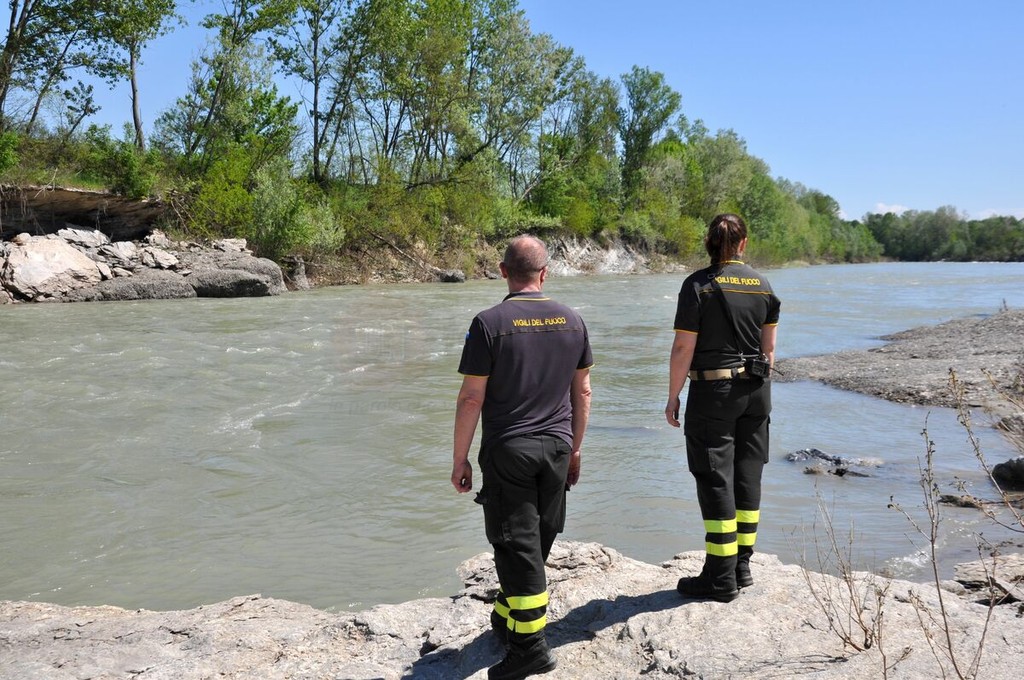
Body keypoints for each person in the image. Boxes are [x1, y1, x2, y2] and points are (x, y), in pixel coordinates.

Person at [451, 234, 593, 680]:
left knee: (517, 544)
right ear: (545, 273)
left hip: (510, 449)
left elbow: (471, 397)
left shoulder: (488, 323)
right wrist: (575, 449)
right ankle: (508, 613)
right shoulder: (573, 320)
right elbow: (583, 391)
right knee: (538, 537)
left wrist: (459, 459)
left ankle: (530, 649)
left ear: (502, 271)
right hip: (557, 445)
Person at [664, 213, 780, 603]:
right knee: (748, 475)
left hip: (714, 391)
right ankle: (741, 566)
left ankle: (719, 576)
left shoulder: (698, 285)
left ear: (708, 243)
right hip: (757, 392)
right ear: (743, 243)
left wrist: (673, 394)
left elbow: (684, 346)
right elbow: (769, 350)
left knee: (715, 477)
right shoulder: (763, 286)